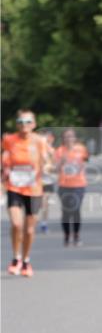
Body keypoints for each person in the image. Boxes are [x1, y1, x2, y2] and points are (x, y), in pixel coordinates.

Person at [2, 110, 50, 277]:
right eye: (21, 121)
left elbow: (47, 161)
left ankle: (26, 261)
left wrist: (46, 167)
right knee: (16, 224)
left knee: (29, 230)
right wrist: (5, 169)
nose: (24, 125)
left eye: (28, 121)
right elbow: (4, 158)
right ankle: (16, 258)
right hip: (14, 187)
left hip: (34, 189)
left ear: (34, 124)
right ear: (17, 124)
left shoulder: (39, 141)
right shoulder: (9, 140)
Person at [54, 128, 89, 246]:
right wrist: (62, 162)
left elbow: (85, 162)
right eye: (66, 136)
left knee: (76, 209)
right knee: (66, 212)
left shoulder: (81, 149)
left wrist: (80, 166)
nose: (69, 139)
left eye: (71, 136)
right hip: (64, 185)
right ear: (63, 139)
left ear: (75, 138)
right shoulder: (59, 151)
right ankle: (67, 235)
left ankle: (76, 235)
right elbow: (56, 169)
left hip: (79, 184)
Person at [38, 130, 56, 232]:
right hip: (35, 180)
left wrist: (50, 167)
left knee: (45, 203)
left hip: (47, 180)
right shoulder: (35, 150)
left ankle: (44, 223)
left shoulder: (52, 150)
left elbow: (55, 165)